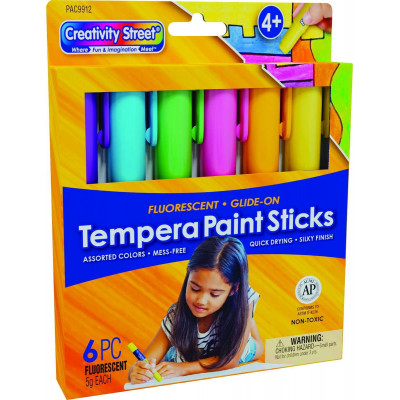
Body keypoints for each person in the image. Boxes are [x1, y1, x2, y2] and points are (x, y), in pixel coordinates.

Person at [128, 236, 263, 383]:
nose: (201, 301)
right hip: (189, 352)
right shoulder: (176, 315)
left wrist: (183, 369)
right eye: (195, 289)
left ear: (234, 289)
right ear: (188, 274)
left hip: (230, 341)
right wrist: (136, 371)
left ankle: (246, 318)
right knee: (172, 357)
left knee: (254, 348)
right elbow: (145, 362)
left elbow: (230, 360)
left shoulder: (241, 298)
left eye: (214, 294)